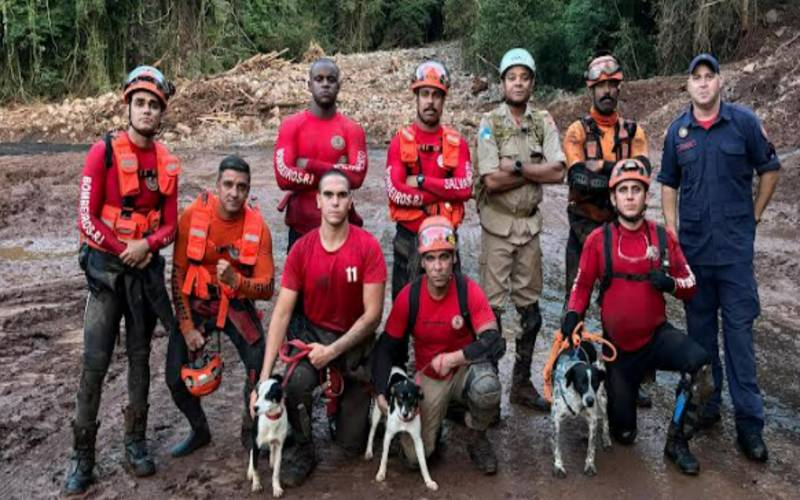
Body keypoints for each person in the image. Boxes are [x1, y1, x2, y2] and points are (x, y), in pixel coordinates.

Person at [658, 53, 780, 462]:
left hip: (733, 254)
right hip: (695, 254)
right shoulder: (678, 132)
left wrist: (756, 215)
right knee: (702, 337)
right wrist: (672, 230)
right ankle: (708, 407)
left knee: (740, 339)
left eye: (710, 77)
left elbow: (770, 168)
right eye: (697, 78)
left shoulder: (742, 123)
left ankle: (750, 424)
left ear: (720, 83)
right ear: (688, 85)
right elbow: (669, 183)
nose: (704, 83)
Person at [67, 66, 179, 495]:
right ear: (128, 106)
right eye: (141, 104)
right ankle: (83, 457)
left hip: (144, 273)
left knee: (138, 360)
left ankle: (135, 443)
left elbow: (171, 225)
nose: (147, 111)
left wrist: (146, 246)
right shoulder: (103, 153)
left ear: (162, 111)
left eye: (154, 105)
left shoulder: (167, 162)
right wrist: (123, 249)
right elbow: (86, 216)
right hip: (105, 274)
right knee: (94, 365)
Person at [563, 158, 712, 475]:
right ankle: (627, 395)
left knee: (701, 367)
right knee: (625, 436)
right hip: (618, 350)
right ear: (614, 198)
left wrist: (670, 284)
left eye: (637, 190)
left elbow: (691, 284)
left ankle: (677, 441)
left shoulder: (662, 238)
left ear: (646, 196)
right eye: (624, 190)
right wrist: (573, 314)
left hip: (657, 337)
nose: (630, 196)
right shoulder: (597, 240)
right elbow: (581, 285)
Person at [253, 169, 387, 487]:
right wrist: (262, 378)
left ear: (350, 201)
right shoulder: (302, 249)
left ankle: (342, 408)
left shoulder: (368, 246)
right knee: (295, 383)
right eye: (329, 195)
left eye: (342, 195)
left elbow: (373, 316)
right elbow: (282, 313)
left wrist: (333, 352)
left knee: (352, 446)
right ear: (317, 201)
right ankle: (303, 447)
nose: (335, 202)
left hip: (353, 342)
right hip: (312, 338)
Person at [372, 216, 504, 475]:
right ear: (421, 262)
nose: (438, 266)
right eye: (431, 259)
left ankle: (476, 436)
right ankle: (439, 420)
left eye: (444, 257)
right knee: (413, 459)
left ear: (454, 258)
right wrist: (380, 392)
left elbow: (493, 341)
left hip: (464, 369)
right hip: (430, 376)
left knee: (487, 388)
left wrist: (455, 358)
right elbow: (386, 347)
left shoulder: (469, 290)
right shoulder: (409, 296)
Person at [474, 48, 565, 411]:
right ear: (502, 83)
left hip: (530, 226)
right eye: (512, 77)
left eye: (524, 77)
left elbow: (559, 171)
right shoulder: (490, 122)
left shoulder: (543, 121)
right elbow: (490, 181)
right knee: (491, 315)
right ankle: (489, 392)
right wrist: (532, 168)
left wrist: (515, 166)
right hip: (497, 226)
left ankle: (521, 384)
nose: (518, 83)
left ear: (532, 83)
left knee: (531, 314)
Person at [166, 155, 274, 457]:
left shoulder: (258, 226)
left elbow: (267, 288)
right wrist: (187, 327)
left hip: (236, 302)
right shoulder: (192, 216)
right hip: (198, 302)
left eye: (241, 187)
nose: (233, 193)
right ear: (217, 185)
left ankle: (250, 430)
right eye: (228, 184)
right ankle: (199, 430)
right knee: (175, 379)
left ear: (248, 190)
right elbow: (177, 274)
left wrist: (238, 281)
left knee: (259, 367)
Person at [561, 52, 653, 408]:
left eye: (611, 85)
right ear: (591, 89)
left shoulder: (635, 131)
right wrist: (617, 173)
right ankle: (577, 374)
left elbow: (641, 174)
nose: (606, 91)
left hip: (623, 232)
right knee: (576, 307)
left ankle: (630, 379)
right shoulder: (576, 131)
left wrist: (600, 167)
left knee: (628, 309)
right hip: (583, 231)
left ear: (619, 87)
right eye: (600, 86)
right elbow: (578, 178)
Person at [385, 60, 473, 298]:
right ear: (416, 97)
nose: (430, 101)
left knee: (450, 308)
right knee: (403, 311)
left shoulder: (458, 143)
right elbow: (395, 192)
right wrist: (445, 190)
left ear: (444, 100)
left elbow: (465, 189)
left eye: (436, 95)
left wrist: (421, 180)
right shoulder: (399, 142)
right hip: (408, 238)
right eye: (425, 94)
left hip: (445, 240)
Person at [273, 57, 368, 252]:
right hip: (301, 230)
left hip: (342, 230)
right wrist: (338, 175)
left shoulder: (353, 129)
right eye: (319, 79)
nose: (325, 84)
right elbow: (283, 177)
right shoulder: (291, 126)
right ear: (309, 84)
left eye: (331, 80)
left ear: (339, 85)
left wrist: (309, 165)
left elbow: (357, 177)